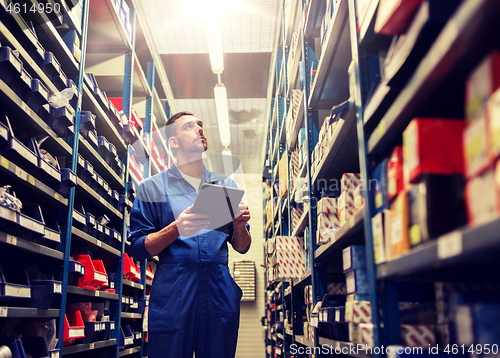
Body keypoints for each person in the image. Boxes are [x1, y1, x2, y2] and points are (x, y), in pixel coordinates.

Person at [128, 111, 251, 358]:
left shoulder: (225, 186)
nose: (199, 129)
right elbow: (138, 248)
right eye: (189, 126)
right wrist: (176, 228)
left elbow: (242, 246)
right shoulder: (151, 187)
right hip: (175, 290)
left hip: (218, 290)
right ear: (173, 141)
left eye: (200, 125)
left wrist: (239, 226)